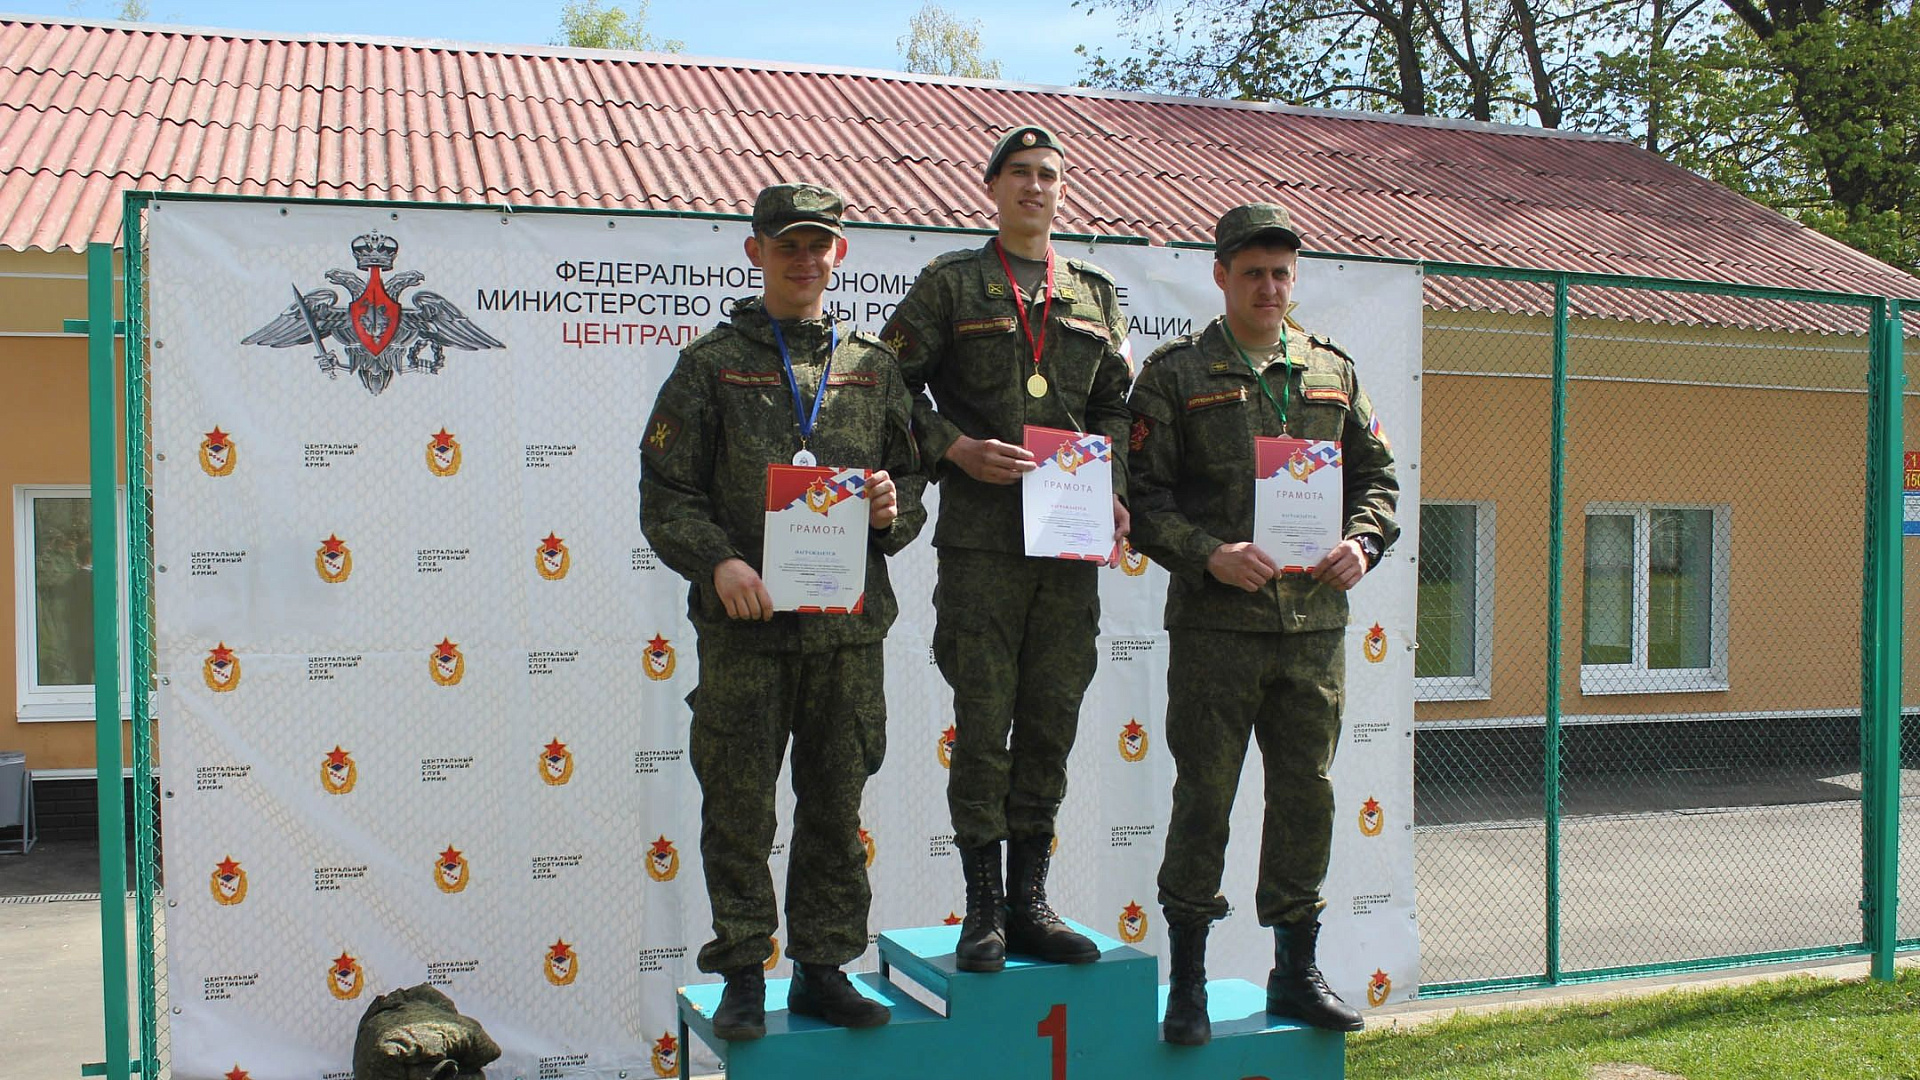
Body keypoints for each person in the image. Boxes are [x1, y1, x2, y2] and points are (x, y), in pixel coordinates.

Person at [640, 183, 927, 1041]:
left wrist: (890, 507)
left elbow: (910, 480)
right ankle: (739, 973)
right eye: (789, 245)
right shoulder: (709, 364)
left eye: (821, 245)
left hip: (847, 633)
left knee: (836, 807)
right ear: (755, 252)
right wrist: (719, 560)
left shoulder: (874, 366)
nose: (807, 260)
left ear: (840, 254)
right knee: (739, 808)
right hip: (747, 634)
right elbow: (666, 492)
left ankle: (824, 968)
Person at [1125, 203, 1399, 1044]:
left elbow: (1378, 479)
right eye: (1253, 272)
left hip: (1312, 629)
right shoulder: (1176, 375)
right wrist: (1208, 553)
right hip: (1218, 630)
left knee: (1305, 798)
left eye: (1282, 272)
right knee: (1204, 799)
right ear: (1221, 275)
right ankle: (1192, 983)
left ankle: (1292, 970)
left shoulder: (1332, 373)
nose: (1270, 287)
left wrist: (1364, 542)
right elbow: (1142, 497)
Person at [879, 124, 1134, 973]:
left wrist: (1115, 490)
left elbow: (1117, 408)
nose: (1035, 186)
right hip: (984, 542)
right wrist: (953, 447)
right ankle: (983, 909)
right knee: (985, 723)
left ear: (1064, 191)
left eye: (1049, 175)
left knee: (1051, 723)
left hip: (1066, 544)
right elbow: (886, 380)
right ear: (993, 187)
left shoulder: (1096, 294)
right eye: (1020, 173)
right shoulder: (951, 285)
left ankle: (1031, 900)